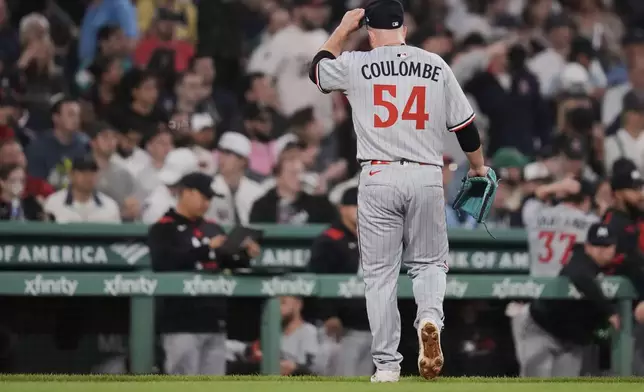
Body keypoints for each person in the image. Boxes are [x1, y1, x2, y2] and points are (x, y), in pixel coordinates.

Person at [310, 1, 490, 382]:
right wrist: (477, 166)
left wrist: (343, 29)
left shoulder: (358, 62)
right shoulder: (434, 64)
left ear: (370, 33)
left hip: (378, 175)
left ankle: (387, 366)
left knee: (380, 276)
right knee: (428, 264)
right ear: (404, 30)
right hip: (426, 174)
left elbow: (317, 71)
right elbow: (465, 128)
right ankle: (428, 317)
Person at [148, 172, 260, 375]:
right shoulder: (163, 228)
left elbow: (227, 262)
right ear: (187, 193)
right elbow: (164, 262)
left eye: (209, 198)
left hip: (213, 319)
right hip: (181, 322)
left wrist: (244, 254)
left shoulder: (212, 228)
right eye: (203, 196)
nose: (207, 203)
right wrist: (207, 249)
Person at [510, 223, 628, 377]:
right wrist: (609, 311)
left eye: (607, 246)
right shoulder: (579, 259)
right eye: (597, 245)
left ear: (614, 248)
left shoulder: (620, 267)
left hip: (571, 339)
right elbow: (579, 275)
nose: (601, 251)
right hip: (540, 327)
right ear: (587, 246)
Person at [309, 187, 372, 376]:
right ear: (342, 208)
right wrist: (328, 314)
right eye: (355, 205)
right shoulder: (329, 240)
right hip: (342, 329)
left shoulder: (373, 237)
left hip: (369, 325)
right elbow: (318, 279)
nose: (360, 209)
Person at [526, 179, 598, 277]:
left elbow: (537, 195)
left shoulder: (536, 214)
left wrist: (559, 185)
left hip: (539, 285)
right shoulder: (591, 222)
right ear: (586, 200)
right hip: (571, 286)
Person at [206, 132, 263, 226]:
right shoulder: (209, 187)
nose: (221, 158)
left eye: (228, 154)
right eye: (221, 152)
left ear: (243, 161)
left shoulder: (257, 192)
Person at [43, 155, 121, 223]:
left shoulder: (110, 206)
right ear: (71, 175)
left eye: (92, 172)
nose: (88, 177)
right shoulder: (54, 202)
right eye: (82, 172)